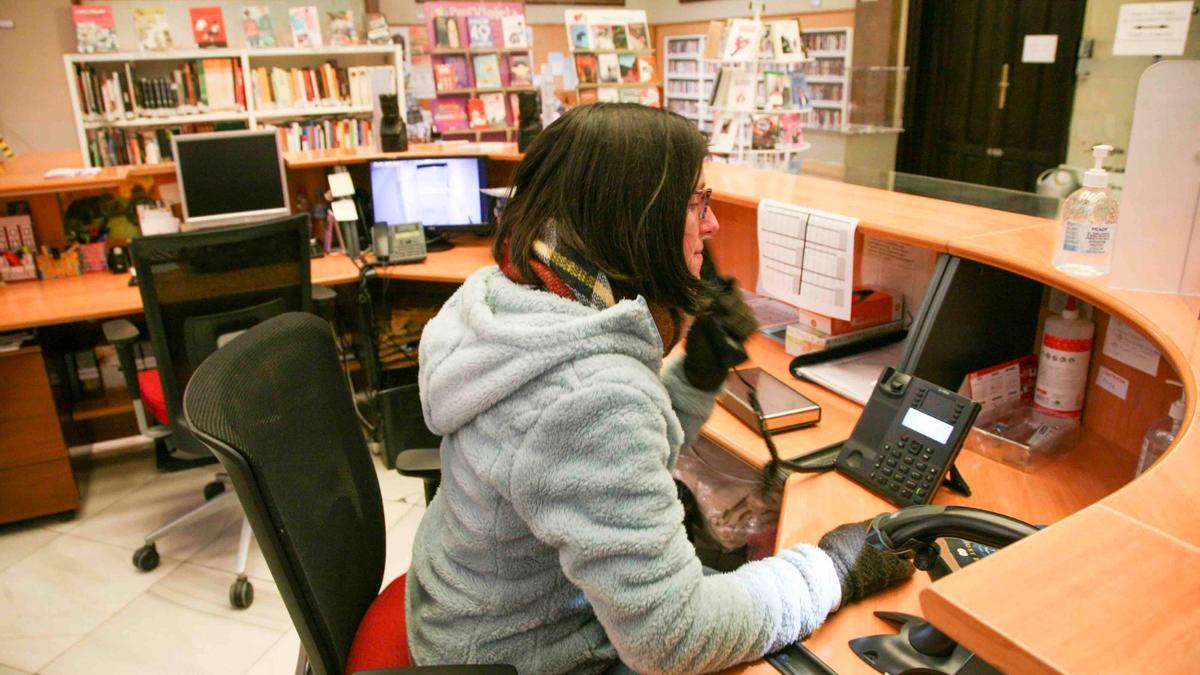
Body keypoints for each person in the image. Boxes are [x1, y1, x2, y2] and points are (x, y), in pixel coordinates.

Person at [407, 103, 913, 674]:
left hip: (473, 613)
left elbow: (592, 458)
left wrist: (698, 375)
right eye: (696, 204)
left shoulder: (509, 303)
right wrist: (832, 570)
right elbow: (672, 638)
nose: (713, 225)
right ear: (635, 221)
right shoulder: (589, 394)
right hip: (532, 654)